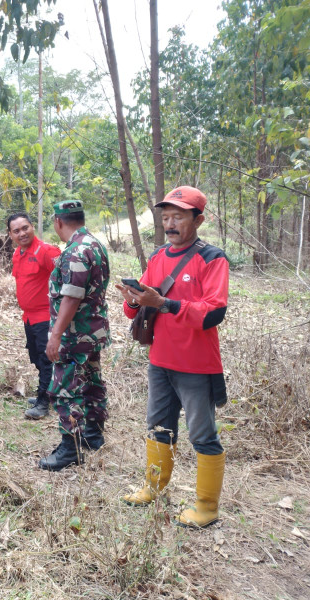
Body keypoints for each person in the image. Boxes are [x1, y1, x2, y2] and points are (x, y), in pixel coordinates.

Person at [117, 186, 229, 528]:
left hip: (196, 365)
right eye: (165, 217)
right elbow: (133, 310)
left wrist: (163, 304)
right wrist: (135, 299)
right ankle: (153, 487)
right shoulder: (158, 257)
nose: (170, 223)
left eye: (178, 216)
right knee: (157, 426)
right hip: (160, 361)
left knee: (202, 435)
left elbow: (213, 313)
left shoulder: (212, 258)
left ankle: (207, 506)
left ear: (198, 219)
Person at [38, 200, 110, 471]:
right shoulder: (95, 245)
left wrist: (55, 336)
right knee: (92, 381)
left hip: (73, 335)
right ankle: (93, 434)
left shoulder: (75, 252)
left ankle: (70, 448)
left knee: (66, 390)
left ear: (58, 222)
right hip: (92, 333)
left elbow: (70, 297)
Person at [7, 212, 62, 419]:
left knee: (47, 359)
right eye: (16, 231)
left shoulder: (48, 251)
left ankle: (43, 402)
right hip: (28, 317)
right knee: (37, 358)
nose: (22, 233)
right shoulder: (17, 254)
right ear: (11, 234)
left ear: (32, 227)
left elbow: (66, 280)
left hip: (46, 317)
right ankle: (51, 393)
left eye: (25, 228)